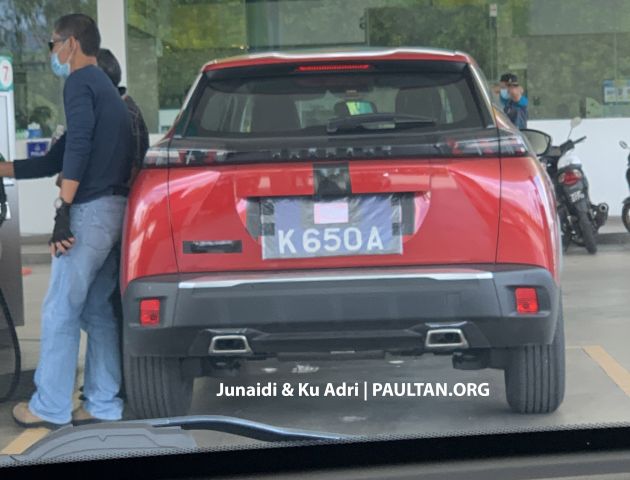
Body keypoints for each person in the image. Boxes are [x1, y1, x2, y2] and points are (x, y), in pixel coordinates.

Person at [7, 13, 132, 429]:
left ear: (72, 44)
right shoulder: (108, 91)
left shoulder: (79, 82)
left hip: (90, 212)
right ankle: (102, 403)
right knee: (97, 311)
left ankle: (50, 406)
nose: (53, 53)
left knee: (59, 310)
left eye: (53, 44)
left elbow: (77, 146)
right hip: (113, 211)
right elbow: (55, 158)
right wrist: (5, 169)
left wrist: (64, 210)